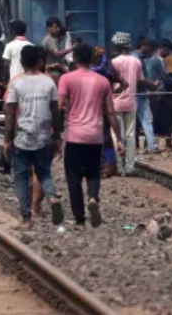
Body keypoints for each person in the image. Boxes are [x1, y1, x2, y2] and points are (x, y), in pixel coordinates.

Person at [57, 43, 118, 228]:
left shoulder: (66, 79)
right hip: (95, 135)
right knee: (93, 173)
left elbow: (58, 107)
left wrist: (56, 133)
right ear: (92, 59)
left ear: (74, 59)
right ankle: (92, 197)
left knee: (73, 177)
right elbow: (111, 112)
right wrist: (119, 138)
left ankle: (80, 220)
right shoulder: (103, 81)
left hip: (74, 135)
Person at [4, 44, 64, 227]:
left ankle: (26, 218)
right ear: (39, 61)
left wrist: (7, 139)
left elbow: (10, 113)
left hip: (22, 138)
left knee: (21, 178)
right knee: (44, 173)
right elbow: (55, 111)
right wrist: (57, 136)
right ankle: (52, 198)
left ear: (21, 62)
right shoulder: (48, 82)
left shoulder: (16, 82)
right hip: (44, 136)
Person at [109, 33, 156, 175]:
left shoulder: (114, 62)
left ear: (117, 46)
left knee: (117, 135)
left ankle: (118, 166)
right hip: (131, 102)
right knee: (130, 136)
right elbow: (141, 80)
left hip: (115, 102)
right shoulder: (136, 62)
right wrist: (153, 86)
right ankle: (130, 167)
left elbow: (110, 82)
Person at [133, 37, 160, 155]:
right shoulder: (136, 59)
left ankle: (149, 145)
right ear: (144, 45)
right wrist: (152, 86)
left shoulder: (137, 58)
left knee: (140, 121)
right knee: (145, 120)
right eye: (150, 48)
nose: (151, 51)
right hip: (138, 93)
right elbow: (140, 79)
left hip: (137, 93)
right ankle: (151, 146)